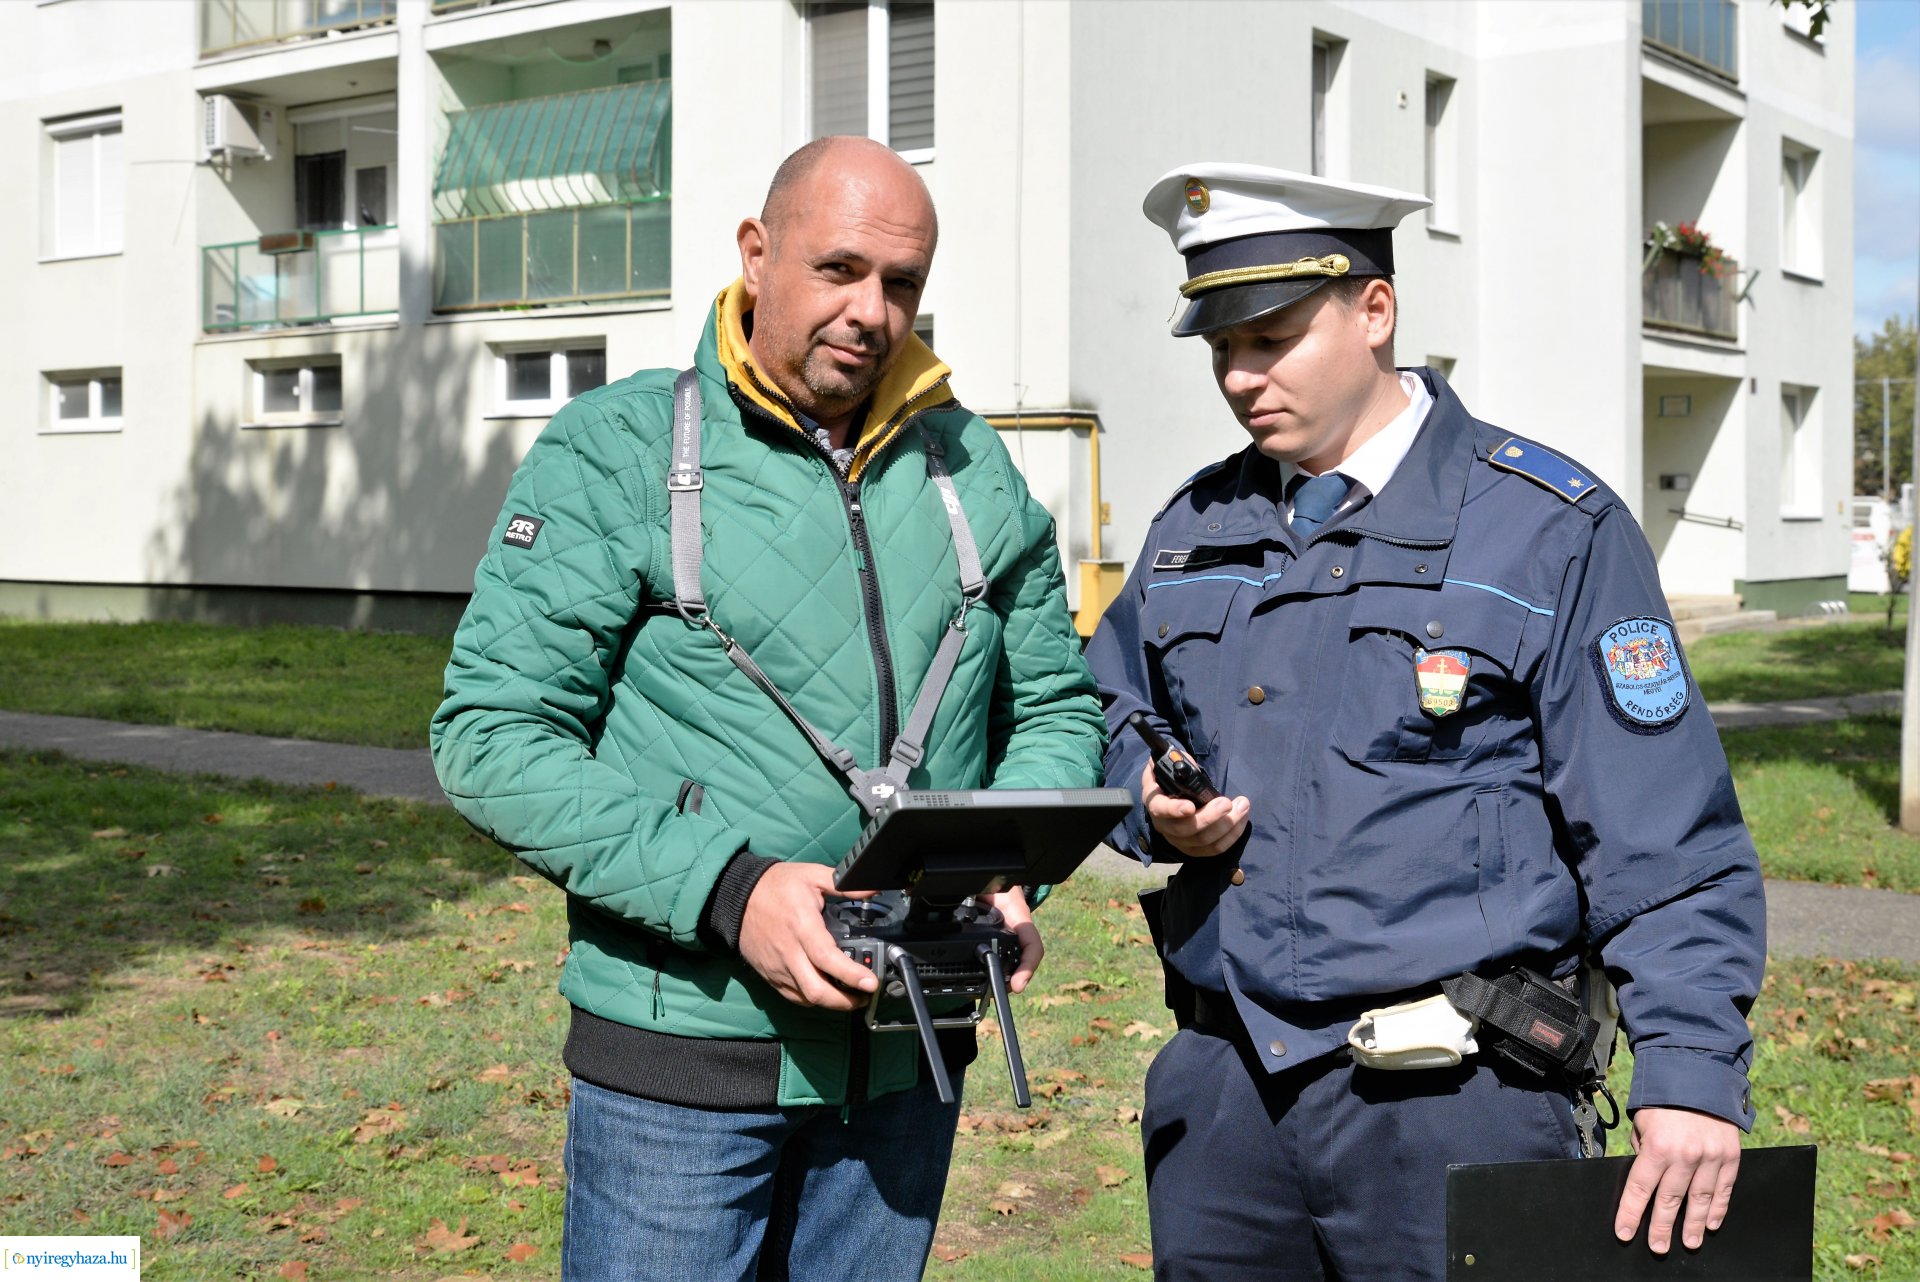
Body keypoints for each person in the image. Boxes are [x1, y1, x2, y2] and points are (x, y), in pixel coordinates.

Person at [431, 136, 1104, 1282]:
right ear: (757, 254)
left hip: (906, 1061)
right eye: (839, 269)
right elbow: (490, 739)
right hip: (684, 1070)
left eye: (901, 284)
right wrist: (730, 890)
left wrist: (1000, 868)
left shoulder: (970, 465)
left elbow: (1052, 707)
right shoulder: (617, 449)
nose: (871, 312)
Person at [1086, 163, 1766, 1282]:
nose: (1241, 377)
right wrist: (1149, 801)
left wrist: (1689, 1070)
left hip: (1453, 1102)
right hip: (1226, 1097)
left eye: (1272, 338)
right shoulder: (1194, 526)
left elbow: (1663, 835)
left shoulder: (1547, 530)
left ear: (1375, 310)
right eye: (1222, 347)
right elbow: (1103, 711)